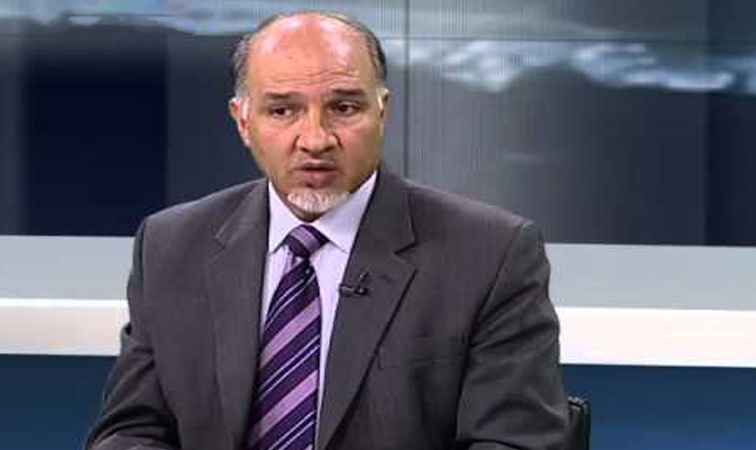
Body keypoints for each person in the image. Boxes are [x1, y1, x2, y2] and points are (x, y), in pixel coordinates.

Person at [85, 11, 568, 450]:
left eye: (344, 108)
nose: (315, 139)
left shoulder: (490, 255)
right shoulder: (171, 246)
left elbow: (514, 442)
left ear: (381, 111)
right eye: (282, 111)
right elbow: (132, 431)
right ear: (243, 122)